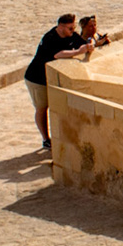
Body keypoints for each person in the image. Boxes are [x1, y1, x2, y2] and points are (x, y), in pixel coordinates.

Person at [26, 14, 95, 150]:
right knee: (42, 108)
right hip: (37, 78)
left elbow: (83, 42)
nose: (72, 30)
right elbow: (58, 54)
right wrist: (78, 51)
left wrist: (90, 45)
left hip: (53, 77)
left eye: (73, 27)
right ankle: (46, 139)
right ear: (61, 27)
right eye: (70, 28)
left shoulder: (71, 35)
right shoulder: (49, 38)